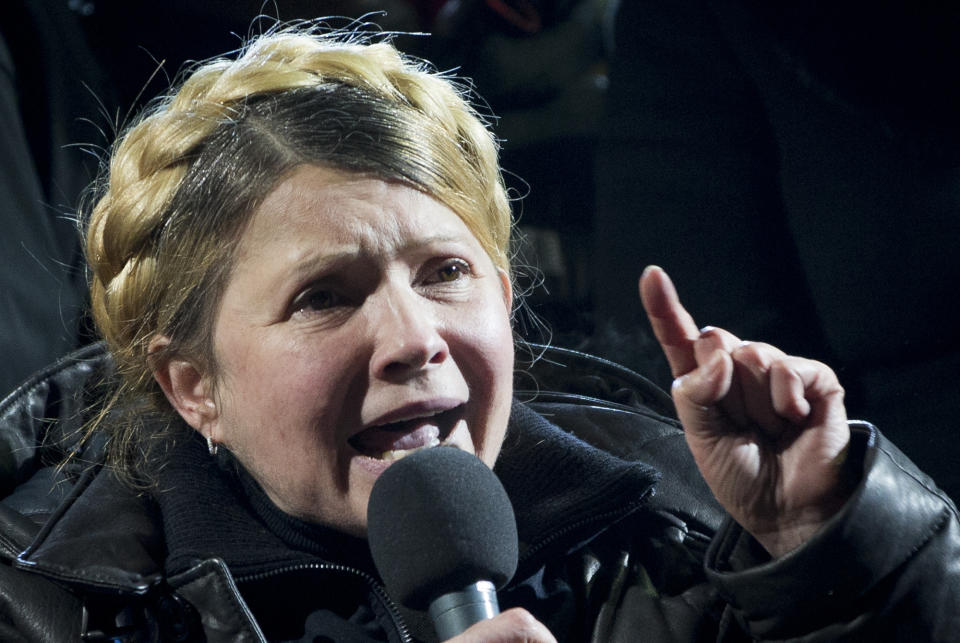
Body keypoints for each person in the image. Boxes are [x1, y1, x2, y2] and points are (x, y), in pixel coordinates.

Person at [0, 24, 957, 641]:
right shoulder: (48, 607)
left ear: (503, 297)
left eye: (445, 273)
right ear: (192, 386)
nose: (414, 338)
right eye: (324, 296)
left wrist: (832, 556)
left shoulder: (684, 542)